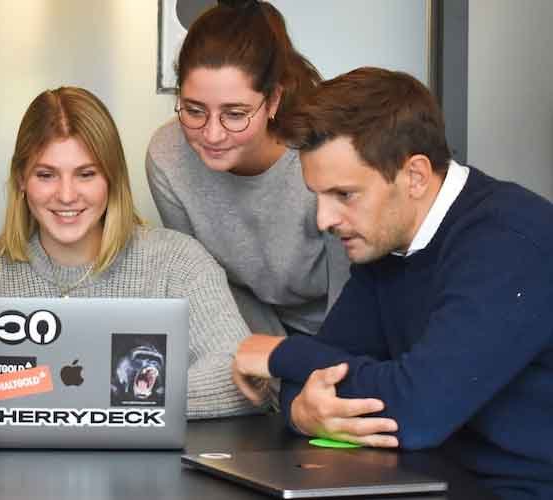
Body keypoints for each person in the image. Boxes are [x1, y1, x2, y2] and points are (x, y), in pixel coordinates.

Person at [233, 67, 553, 500]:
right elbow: (323, 372)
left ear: (415, 176)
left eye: (344, 195)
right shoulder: (386, 243)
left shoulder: (511, 240)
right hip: (423, 480)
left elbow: (416, 408)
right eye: (319, 196)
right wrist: (302, 409)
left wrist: (279, 353)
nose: (324, 220)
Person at [0, 86, 265, 419]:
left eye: (86, 174)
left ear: (112, 178)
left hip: (140, 474)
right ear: (21, 179)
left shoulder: (178, 262)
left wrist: (71, 394)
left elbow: (242, 379)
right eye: (46, 175)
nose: (67, 195)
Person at [146, 0, 350, 340]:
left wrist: (313, 364)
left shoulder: (326, 149)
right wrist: (270, 364)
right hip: (249, 332)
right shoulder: (167, 158)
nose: (212, 134)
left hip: (350, 329)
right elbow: (206, 282)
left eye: (235, 114)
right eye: (194, 110)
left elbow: (354, 286)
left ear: (272, 102)